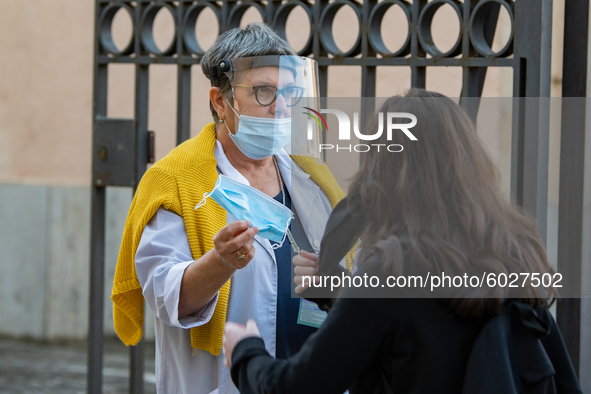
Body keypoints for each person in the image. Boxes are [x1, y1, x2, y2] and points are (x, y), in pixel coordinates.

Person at [223, 89, 583, 394]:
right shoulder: (515, 248)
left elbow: (298, 386)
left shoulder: (389, 269)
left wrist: (245, 352)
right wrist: (345, 293)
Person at [111, 23, 350, 394]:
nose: (283, 108)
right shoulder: (176, 179)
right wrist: (219, 262)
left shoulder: (312, 175)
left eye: (291, 93)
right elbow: (164, 294)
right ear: (221, 101)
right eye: (264, 92)